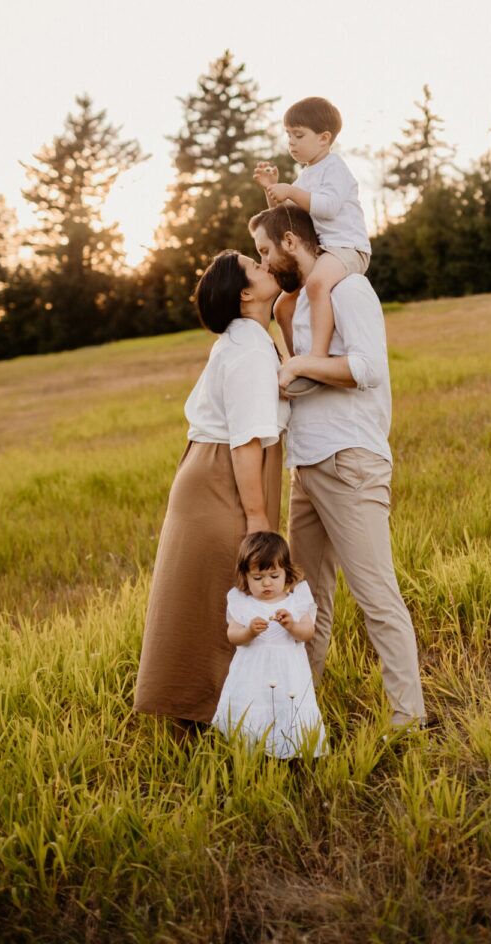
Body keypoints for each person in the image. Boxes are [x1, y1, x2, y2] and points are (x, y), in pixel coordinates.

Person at [248, 204, 426, 731]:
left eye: (265, 251)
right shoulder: (293, 304)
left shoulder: (349, 290)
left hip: (350, 461)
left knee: (376, 595)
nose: (264, 262)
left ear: (290, 241)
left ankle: (408, 717)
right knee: (306, 599)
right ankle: (298, 715)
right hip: (306, 466)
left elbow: (368, 368)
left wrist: (300, 363)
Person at [134, 250, 289, 738]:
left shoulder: (250, 339)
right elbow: (245, 442)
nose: (266, 265)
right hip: (223, 477)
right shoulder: (247, 349)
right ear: (244, 293)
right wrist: (259, 521)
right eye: (255, 266)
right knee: (218, 597)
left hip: (212, 472)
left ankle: (211, 716)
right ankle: (203, 717)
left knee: (210, 596)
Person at [252, 97, 371, 374]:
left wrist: (291, 191)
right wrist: (272, 189)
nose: (291, 143)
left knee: (317, 285)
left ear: (324, 138)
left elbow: (328, 207)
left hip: (347, 248)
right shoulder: (306, 176)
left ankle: (317, 358)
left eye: (299, 135)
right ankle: (298, 361)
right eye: (288, 135)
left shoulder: (334, 168)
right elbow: (286, 217)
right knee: (282, 306)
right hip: (323, 253)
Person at [212, 531, 327, 758]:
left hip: (288, 675)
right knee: (253, 706)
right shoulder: (243, 603)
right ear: (245, 576)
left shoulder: (296, 601)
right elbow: (232, 635)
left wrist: (292, 626)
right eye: (257, 578)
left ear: (286, 572)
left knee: (287, 709)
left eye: (274, 576)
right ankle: (252, 753)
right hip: (252, 674)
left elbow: (308, 632)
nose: (266, 583)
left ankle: (292, 753)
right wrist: (249, 632)